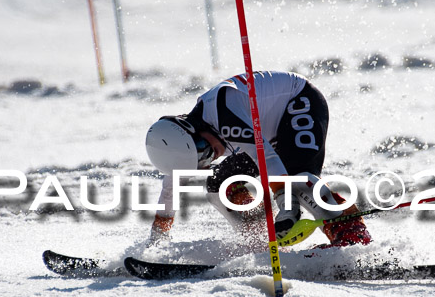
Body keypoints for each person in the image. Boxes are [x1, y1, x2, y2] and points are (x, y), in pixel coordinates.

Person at [144, 70, 371, 250]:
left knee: (298, 179)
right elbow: (169, 194)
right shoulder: (182, 151)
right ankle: (261, 238)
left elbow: (268, 159)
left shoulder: (224, 118)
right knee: (219, 185)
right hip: (262, 133)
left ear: (190, 127)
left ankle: (351, 234)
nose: (211, 154)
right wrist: (156, 242)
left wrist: (287, 210)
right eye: (202, 161)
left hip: (298, 101)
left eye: (203, 149)